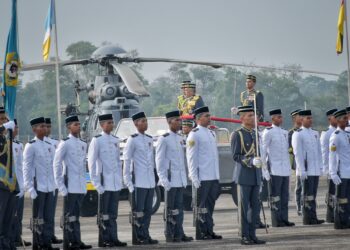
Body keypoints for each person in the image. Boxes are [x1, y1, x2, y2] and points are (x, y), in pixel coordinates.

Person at [88, 114, 127, 247]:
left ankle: (113, 237)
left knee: (113, 214)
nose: (111, 125)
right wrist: (96, 183)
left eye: (112, 122)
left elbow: (117, 162)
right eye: (109, 122)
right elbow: (92, 163)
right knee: (104, 214)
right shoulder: (97, 140)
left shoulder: (116, 140)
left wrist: (120, 180)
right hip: (104, 182)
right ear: (102, 125)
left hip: (115, 182)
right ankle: (104, 239)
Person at [53, 115, 92, 250]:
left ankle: (77, 241)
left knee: (76, 216)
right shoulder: (65, 143)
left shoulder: (82, 144)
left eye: (79, 124)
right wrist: (61, 186)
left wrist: (85, 185)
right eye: (75, 124)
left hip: (80, 185)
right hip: (69, 185)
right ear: (69, 127)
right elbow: (57, 164)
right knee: (69, 216)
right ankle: (68, 242)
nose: (78, 126)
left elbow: (83, 166)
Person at [156, 110, 193, 243]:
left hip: (179, 179)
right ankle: (170, 233)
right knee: (170, 209)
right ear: (169, 121)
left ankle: (179, 232)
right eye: (177, 120)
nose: (180, 122)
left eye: (180, 120)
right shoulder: (163, 139)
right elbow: (159, 161)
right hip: (170, 180)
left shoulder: (180, 139)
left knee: (179, 208)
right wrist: (164, 179)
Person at [231, 105, 266, 245]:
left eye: (254, 115)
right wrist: (250, 161)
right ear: (242, 118)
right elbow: (235, 156)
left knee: (255, 207)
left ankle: (253, 235)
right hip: (244, 175)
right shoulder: (237, 134)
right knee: (245, 208)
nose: (254, 118)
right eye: (250, 115)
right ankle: (245, 235)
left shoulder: (255, 133)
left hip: (256, 175)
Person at [23, 117, 59, 250]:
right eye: (41, 126)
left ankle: (47, 242)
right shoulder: (30, 146)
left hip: (50, 186)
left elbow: (54, 167)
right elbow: (27, 167)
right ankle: (37, 243)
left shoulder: (49, 146)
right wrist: (30, 187)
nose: (45, 128)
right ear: (34, 129)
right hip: (38, 186)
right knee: (39, 218)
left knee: (49, 217)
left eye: (45, 126)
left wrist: (55, 184)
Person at [186, 106, 222, 240]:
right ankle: (201, 232)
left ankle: (209, 230)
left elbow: (213, 157)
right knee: (201, 206)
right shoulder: (194, 133)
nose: (209, 118)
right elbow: (191, 157)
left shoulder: (211, 133)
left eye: (209, 115)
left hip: (212, 176)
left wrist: (217, 176)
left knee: (210, 205)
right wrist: (193, 176)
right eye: (206, 116)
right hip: (202, 176)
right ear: (198, 118)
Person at [123, 112, 158, 245]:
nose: (145, 123)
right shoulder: (132, 140)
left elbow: (152, 161)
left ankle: (146, 234)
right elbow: (127, 161)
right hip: (139, 181)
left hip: (149, 181)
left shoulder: (149, 139)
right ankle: (138, 237)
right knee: (139, 211)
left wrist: (154, 179)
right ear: (136, 124)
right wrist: (128, 182)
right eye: (142, 121)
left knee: (148, 211)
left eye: (146, 121)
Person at [261, 109, 295, 227]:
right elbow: (263, 152)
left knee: (284, 196)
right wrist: (264, 170)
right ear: (273, 118)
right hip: (274, 169)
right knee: (275, 197)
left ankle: (284, 218)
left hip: (285, 169)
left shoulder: (285, 132)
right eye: (278, 117)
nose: (281, 119)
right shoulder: (268, 132)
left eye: (281, 117)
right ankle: (276, 220)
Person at [292, 110, 324, 225]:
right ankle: (307, 218)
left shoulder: (315, 133)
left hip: (314, 168)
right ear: (301, 119)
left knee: (313, 194)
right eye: (308, 118)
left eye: (311, 118)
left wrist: (321, 166)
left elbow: (319, 152)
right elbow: (298, 153)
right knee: (307, 195)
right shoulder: (298, 133)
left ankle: (313, 216)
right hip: (306, 169)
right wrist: (301, 169)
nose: (311, 120)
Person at [11, 119, 31, 247]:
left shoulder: (18, 145)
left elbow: (22, 166)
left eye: (17, 127)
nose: (16, 130)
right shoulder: (6, 145)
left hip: (19, 185)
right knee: (10, 215)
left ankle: (18, 237)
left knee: (19, 215)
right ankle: (11, 238)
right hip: (9, 186)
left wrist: (23, 184)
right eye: (14, 127)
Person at [329, 109, 350, 229]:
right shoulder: (335, 136)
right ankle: (339, 222)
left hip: (348, 171)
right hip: (341, 172)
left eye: (346, 118)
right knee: (341, 199)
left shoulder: (346, 134)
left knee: (347, 198)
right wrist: (333, 173)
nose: (346, 121)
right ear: (337, 121)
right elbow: (332, 155)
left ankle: (346, 219)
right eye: (344, 119)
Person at [0, 108, 17, 250]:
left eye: (5, 120)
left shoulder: (7, 139)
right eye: (1, 120)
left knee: (8, 219)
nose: (4, 122)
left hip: (9, 185)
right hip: (0, 186)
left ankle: (7, 244)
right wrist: (3, 128)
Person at [44, 118, 62, 245]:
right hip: (42, 182)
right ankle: (43, 236)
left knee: (51, 212)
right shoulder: (36, 143)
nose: (48, 129)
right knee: (42, 213)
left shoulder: (56, 143)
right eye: (45, 126)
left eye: (49, 126)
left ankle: (51, 234)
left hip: (53, 182)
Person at [320, 109, 338, 223]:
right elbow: (324, 153)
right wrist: (327, 169)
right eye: (334, 117)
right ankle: (330, 216)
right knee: (332, 193)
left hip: (340, 168)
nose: (336, 119)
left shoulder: (341, 131)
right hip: (331, 168)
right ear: (329, 119)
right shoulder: (326, 133)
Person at [288, 109, 302, 215]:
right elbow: (289, 149)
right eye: (299, 116)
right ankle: (299, 206)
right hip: (297, 161)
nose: (301, 118)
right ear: (294, 118)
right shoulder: (291, 133)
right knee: (299, 184)